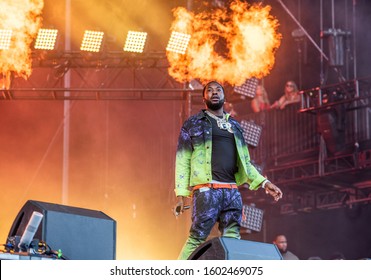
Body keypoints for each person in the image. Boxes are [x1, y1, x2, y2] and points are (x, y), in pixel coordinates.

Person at [173, 81, 283, 260]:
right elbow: (183, 159)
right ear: (204, 98)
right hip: (207, 190)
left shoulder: (236, 126)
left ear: (224, 97)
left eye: (218, 90)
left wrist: (265, 183)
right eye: (210, 90)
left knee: (233, 239)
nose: (214, 93)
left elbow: (246, 163)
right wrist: (181, 193)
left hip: (232, 192)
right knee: (197, 238)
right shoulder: (192, 124)